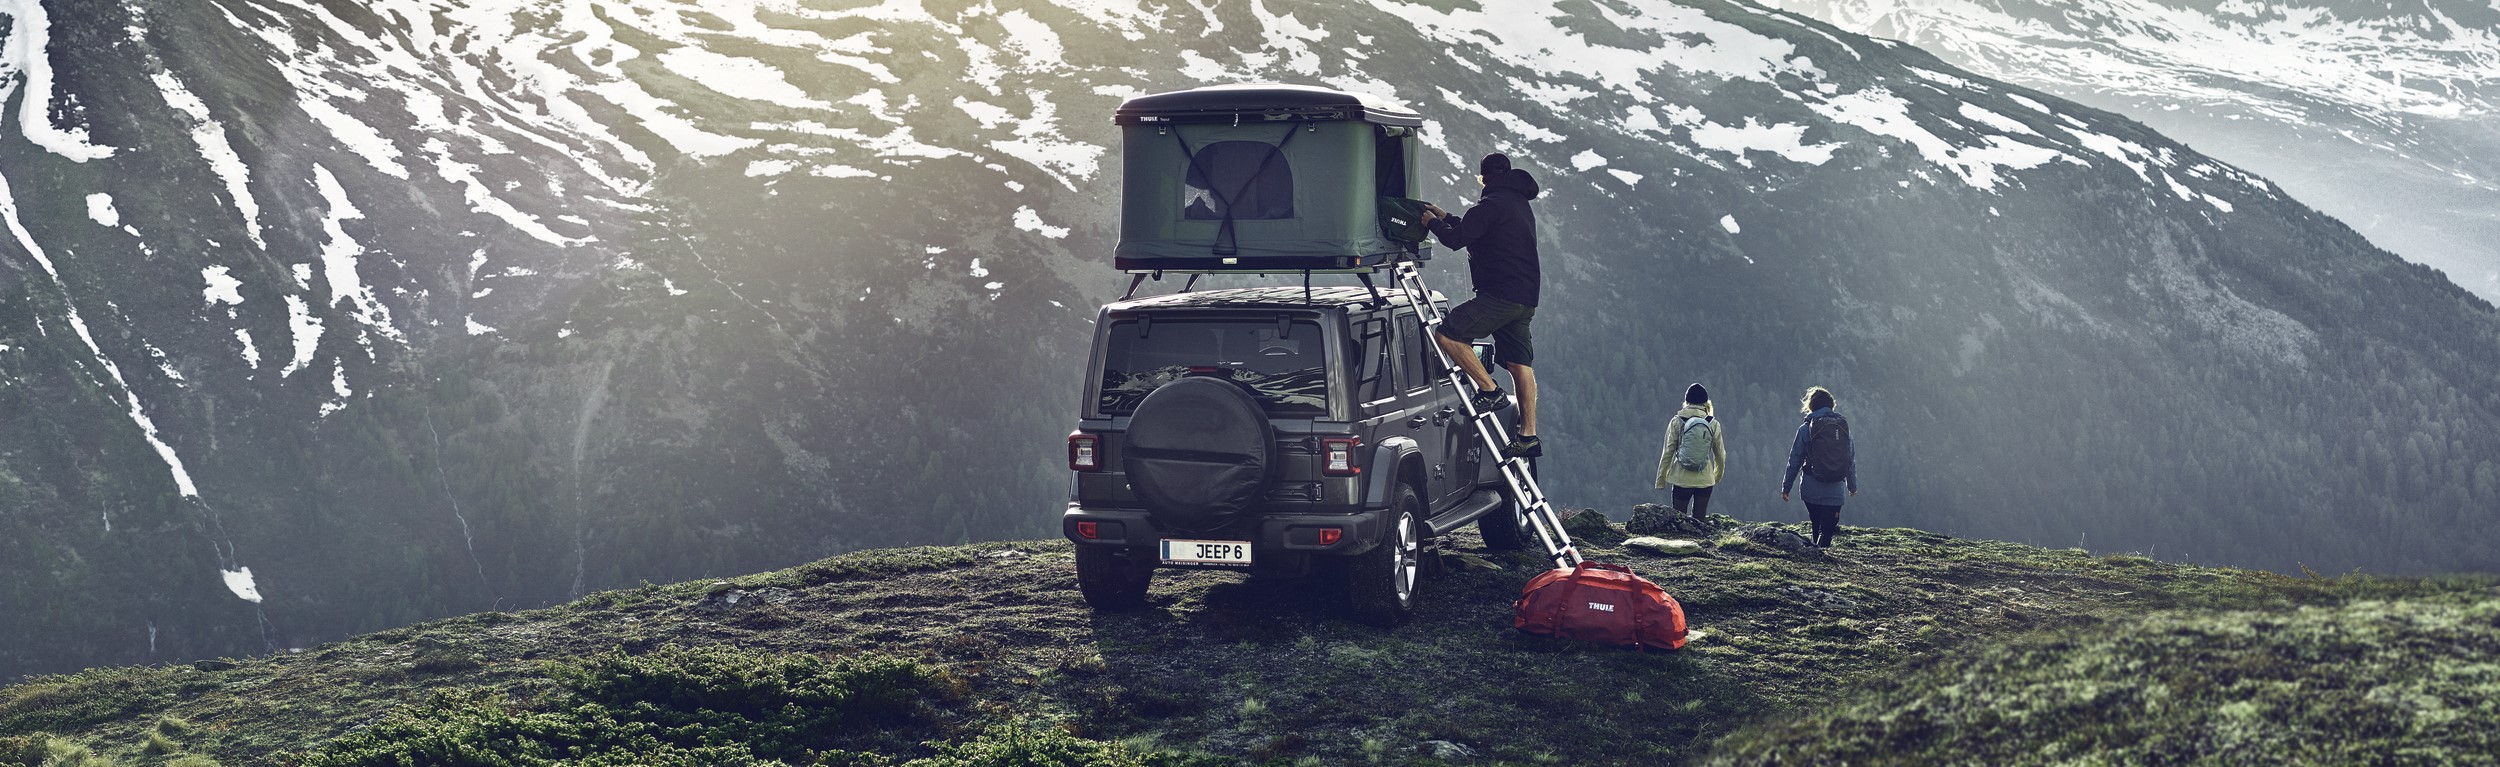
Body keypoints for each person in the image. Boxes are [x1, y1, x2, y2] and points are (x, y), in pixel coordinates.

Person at [1419, 153, 1543, 458]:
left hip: (1499, 295)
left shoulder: (1490, 204)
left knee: (1448, 334)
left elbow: (1455, 240)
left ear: (1485, 178)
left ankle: (1490, 390)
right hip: (1524, 297)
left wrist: (1432, 223)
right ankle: (1528, 435)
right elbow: (1474, 230)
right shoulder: (1517, 204)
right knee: (1519, 364)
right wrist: (1445, 217)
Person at [1781, 386, 1858, 548]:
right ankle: (1822, 554)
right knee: (1828, 529)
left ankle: (1816, 556)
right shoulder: (1844, 429)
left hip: (1810, 487)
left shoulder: (1805, 429)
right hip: (1836, 488)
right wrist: (1852, 486)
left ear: (1811, 406)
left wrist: (1786, 487)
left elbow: (1794, 459)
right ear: (1831, 405)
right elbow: (1850, 459)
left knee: (1816, 523)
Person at [1655, 383, 1726, 522]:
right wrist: (1716, 476)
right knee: (1699, 522)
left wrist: (1661, 480)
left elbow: (1668, 452)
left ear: (1686, 401)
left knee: (1678, 521)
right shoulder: (1713, 423)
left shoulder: (1677, 421)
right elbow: (1720, 454)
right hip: (1705, 480)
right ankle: (1698, 542)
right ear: (1706, 402)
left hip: (1681, 480)